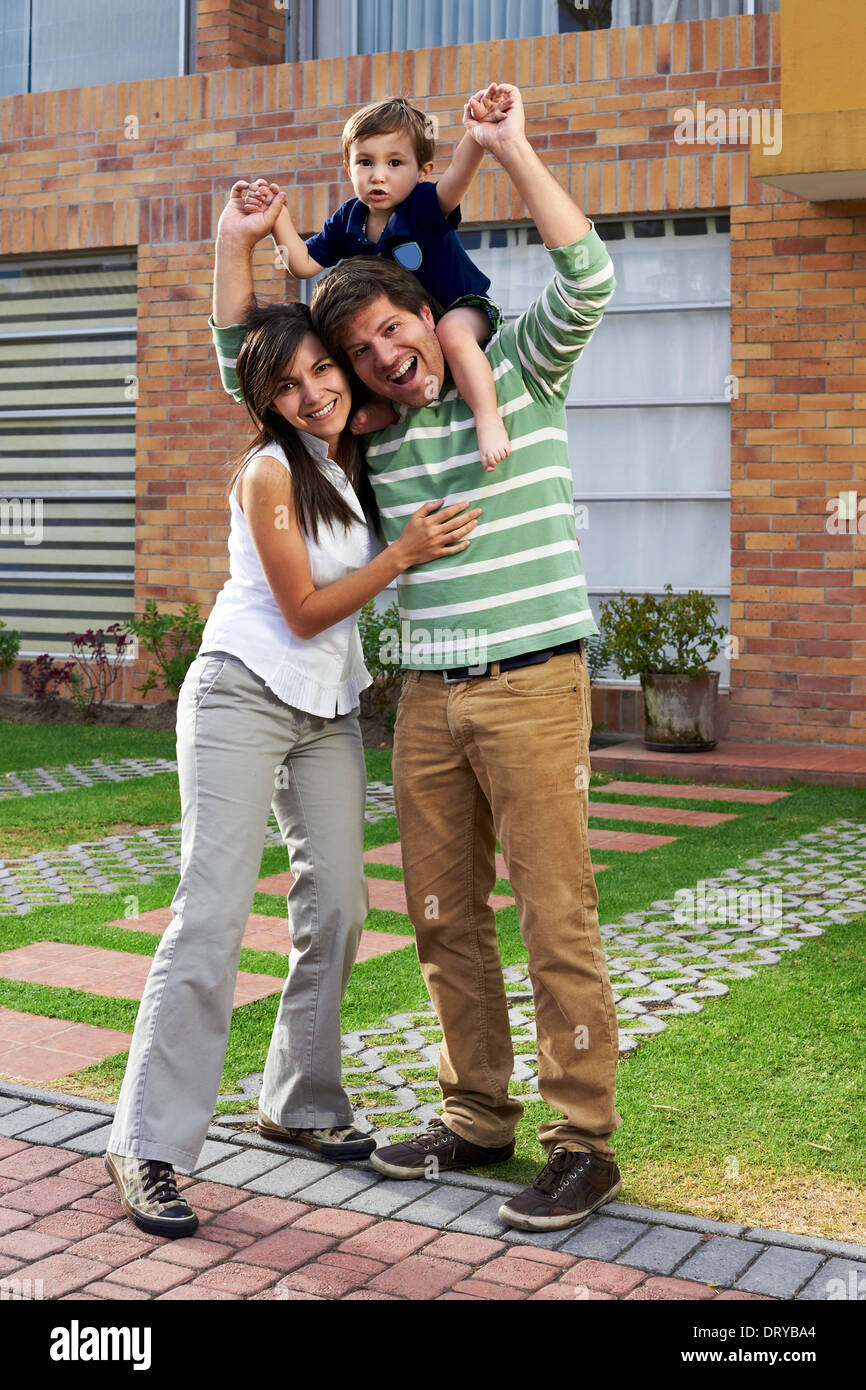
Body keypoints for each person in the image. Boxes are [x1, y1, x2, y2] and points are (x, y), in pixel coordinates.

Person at [213, 82, 623, 1235]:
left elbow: (590, 276)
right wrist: (234, 247)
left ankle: (581, 1142)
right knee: (443, 916)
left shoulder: (526, 374)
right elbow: (246, 366)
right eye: (358, 350)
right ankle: (475, 1115)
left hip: (534, 682)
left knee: (555, 914)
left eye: (392, 329)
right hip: (426, 704)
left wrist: (512, 148)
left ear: (422, 310)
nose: (382, 357)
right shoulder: (370, 445)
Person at [102, 189, 481, 1239]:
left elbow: (373, 305)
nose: (315, 389)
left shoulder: (344, 450)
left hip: (324, 706)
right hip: (239, 688)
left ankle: (297, 1105)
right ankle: (148, 1145)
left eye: (325, 369)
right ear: (261, 398)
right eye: (292, 381)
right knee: (212, 913)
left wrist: (297, 239)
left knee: (343, 905)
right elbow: (306, 607)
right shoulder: (270, 470)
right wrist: (234, 238)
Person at [242, 88, 512, 472]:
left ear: (422, 172)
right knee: (360, 345)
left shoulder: (421, 206)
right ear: (349, 168)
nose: (378, 175)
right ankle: (386, 405)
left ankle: (488, 417)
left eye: (395, 162)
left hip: (463, 309)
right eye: (366, 162)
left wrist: (477, 134)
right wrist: (276, 217)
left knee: (451, 333)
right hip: (405, 331)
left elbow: (457, 180)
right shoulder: (348, 220)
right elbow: (300, 264)